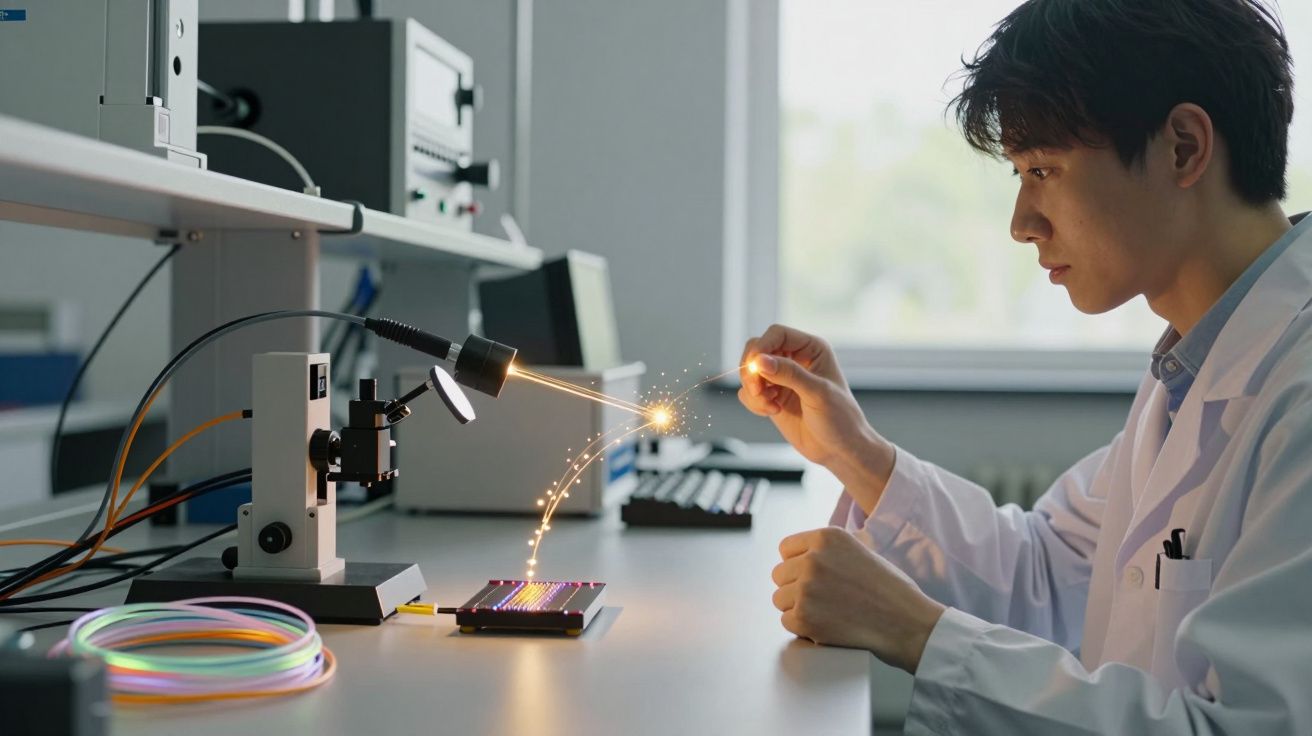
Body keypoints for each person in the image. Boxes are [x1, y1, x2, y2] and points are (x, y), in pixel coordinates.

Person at [739, 1, 1312, 733]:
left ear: (1182, 148)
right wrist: (854, 452)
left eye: (1044, 169)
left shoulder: (1295, 394)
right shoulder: (1194, 370)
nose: (1021, 222)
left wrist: (917, 632)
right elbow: (1045, 572)